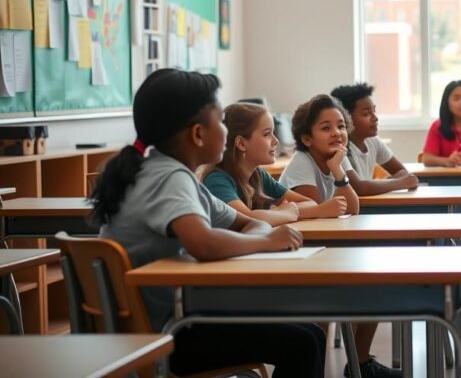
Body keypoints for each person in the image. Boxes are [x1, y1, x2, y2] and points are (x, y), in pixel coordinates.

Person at [89, 69, 325, 378]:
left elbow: (245, 223)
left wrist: (259, 232)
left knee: (311, 334)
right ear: (198, 134)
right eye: (221, 122)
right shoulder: (168, 178)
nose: (226, 132)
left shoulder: (166, 173)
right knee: (303, 342)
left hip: (162, 325)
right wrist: (266, 242)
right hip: (166, 337)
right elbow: (203, 243)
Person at [281, 94, 401, 378]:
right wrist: (337, 185)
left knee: (376, 284)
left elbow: (353, 206)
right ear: (307, 138)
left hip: (324, 250)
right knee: (320, 309)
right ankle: (316, 371)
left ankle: (361, 364)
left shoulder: (336, 158)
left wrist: (337, 170)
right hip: (300, 253)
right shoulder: (301, 163)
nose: (337, 133)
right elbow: (316, 215)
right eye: (326, 127)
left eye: (340, 126)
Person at [201, 102, 350, 224]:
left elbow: (310, 203)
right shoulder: (217, 180)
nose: (276, 141)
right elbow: (247, 219)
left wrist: (279, 213)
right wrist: (281, 213)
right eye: (267, 134)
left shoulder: (258, 175)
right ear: (241, 143)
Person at [331, 83, 418, 196]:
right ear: (346, 118)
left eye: (374, 111)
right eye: (366, 113)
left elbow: (402, 172)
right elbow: (358, 188)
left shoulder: (372, 141)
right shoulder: (339, 146)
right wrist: (399, 183)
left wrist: (376, 185)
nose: (375, 118)